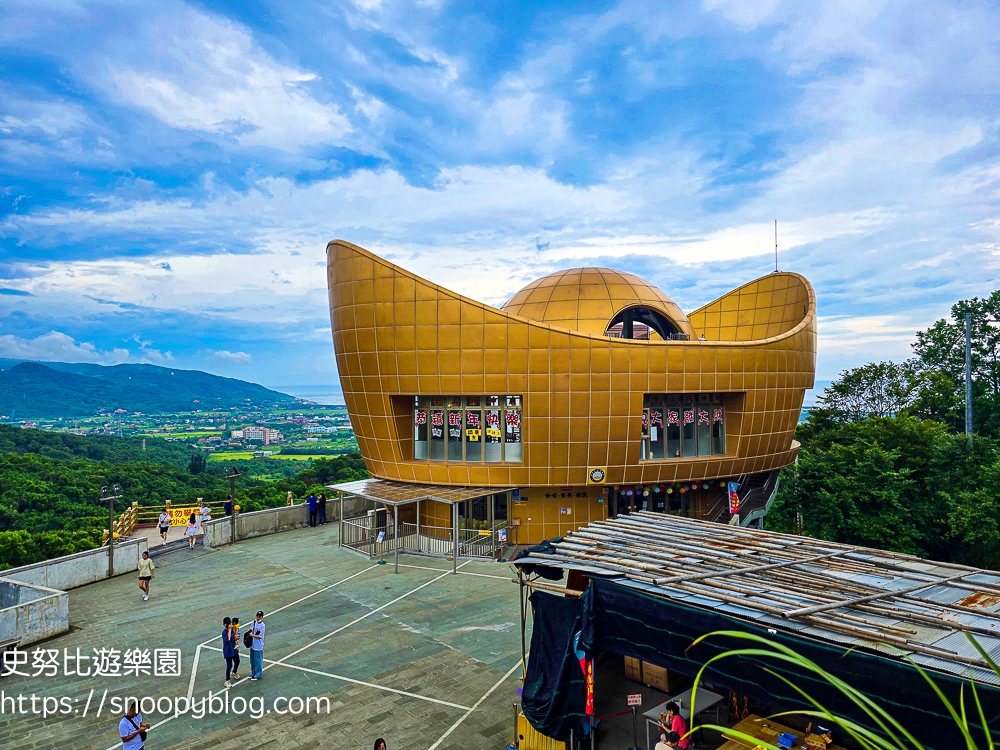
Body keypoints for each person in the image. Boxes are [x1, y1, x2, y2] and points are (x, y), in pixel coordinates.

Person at [248, 610, 266, 680]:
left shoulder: (262, 626)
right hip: (253, 645)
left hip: (258, 646)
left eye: (259, 616)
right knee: (252, 660)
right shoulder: (254, 622)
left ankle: (258, 674)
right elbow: (250, 629)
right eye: (257, 616)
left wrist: (251, 635)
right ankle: (253, 672)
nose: (258, 618)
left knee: (258, 661)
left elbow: (260, 636)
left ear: (262, 617)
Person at [222, 617, 238, 687]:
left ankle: (234, 672)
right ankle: (227, 680)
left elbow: (234, 637)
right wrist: (229, 630)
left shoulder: (232, 630)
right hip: (228, 650)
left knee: (237, 661)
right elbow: (228, 639)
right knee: (229, 665)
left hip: (233, 648)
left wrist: (236, 639)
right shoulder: (224, 632)